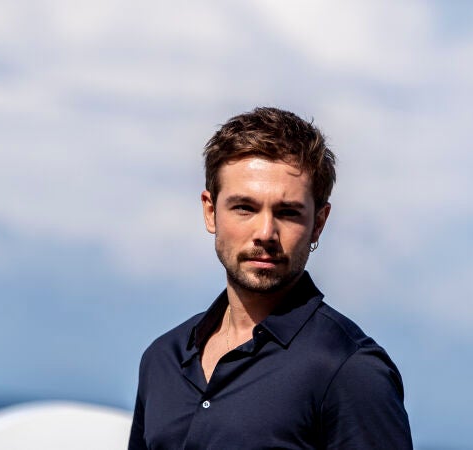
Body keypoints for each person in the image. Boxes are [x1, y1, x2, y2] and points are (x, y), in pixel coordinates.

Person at [128, 107, 412, 449]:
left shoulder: (349, 369)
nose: (265, 233)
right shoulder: (162, 359)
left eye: (288, 212)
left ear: (318, 223)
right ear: (210, 211)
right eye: (244, 208)